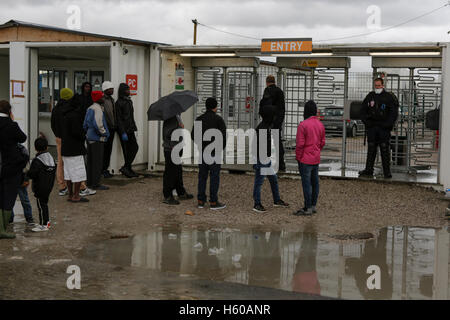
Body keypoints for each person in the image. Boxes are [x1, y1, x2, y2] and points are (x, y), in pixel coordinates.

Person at [51, 88, 92, 197]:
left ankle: (62, 186)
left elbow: (53, 124)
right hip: (71, 140)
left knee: (61, 162)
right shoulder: (71, 109)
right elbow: (76, 129)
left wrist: (58, 134)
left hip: (59, 138)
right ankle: (82, 187)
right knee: (77, 164)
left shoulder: (56, 109)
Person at [191, 97, 227, 210]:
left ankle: (201, 201)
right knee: (214, 177)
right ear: (215, 107)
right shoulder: (218, 120)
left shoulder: (199, 119)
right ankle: (213, 202)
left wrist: (200, 144)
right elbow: (223, 137)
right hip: (214, 152)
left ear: (206, 106)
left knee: (202, 176)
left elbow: (193, 135)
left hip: (203, 152)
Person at [359, 77, 399, 179]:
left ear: (382, 85)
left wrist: (387, 124)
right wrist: (367, 123)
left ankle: (387, 172)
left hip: (383, 129)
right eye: (375, 85)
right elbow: (362, 111)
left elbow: (393, 113)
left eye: (378, 85)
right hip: (372, 128)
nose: (377, 87)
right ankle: (368, 170)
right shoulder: (370, 96)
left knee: (384, 149)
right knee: (371, 149)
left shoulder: (389, 97)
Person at [252, 104, 289, 213]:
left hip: (265, 159)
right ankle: (257, 204)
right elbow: (256, 146)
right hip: (262, 159)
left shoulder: (264, 126)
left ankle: (276, 200)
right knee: (259, 182)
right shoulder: (263, 128)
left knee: (273, 179)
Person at [0, 100, 27, 239]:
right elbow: (23, 138)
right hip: (11, 166)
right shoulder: (11, 125)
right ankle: (3, 228)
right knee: (9, 197)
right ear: (9, 111)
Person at [293, 100, 325, 216]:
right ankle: (313, 205)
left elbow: (300, 144)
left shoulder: (303, 125)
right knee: (315, 182)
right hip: (315, 158)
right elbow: (322, 142)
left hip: (305, 159)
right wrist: (316, 151)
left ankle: (307, 207)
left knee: (306, 183)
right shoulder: (320, 124)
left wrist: (298, 157)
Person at [61, 91, 90, 203]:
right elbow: (77, 132)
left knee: (68, 173)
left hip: (65, 148)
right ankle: (76, 195)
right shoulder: (75, 116)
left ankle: (70, 194)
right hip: (75, 149)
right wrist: (83, 135)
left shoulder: (64, 114)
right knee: (78, 173)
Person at [27, 136, 56, 232]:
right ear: (47, 147)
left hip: (39, 187)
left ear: (35, 148)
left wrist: (26, 173)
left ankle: (44, 224)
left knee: (41, 205)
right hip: (49, 186)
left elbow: (32, 174)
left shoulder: (37, 160)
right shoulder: (50, 158)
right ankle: (46, 222)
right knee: (44, 204)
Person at [162, 114, 193, 205]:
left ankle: (181, 192)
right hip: (172, 148)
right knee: (170, 172)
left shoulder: (176, 116)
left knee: (177, 171)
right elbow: (168, 133)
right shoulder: (170, 117)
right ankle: (167, 196)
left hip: (176, 147)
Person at [83, 90, 110, 191]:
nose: (103, 98)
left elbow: (85, 124)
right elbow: (98, 125)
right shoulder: (97, 109)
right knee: (97, 162)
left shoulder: (90, 108)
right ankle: (96, 183)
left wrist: (87, 133)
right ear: (98, 98)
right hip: (97, 138)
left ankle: (89, 182)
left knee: (90, 161)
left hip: (89, 138)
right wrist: (105, 133)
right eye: (102, 97)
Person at [259, 75, 286, 172]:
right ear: (274, 81)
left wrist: (265, 120)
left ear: (267, 82)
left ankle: (264, 162)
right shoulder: (280, 92)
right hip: (276, 122)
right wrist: (278, 122)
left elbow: (262, 107)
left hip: (266, 122)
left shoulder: (266, 91)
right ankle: (281, 164)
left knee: (264, 141)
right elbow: (282, 109)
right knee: (277, 143)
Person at [116, 83, 139, 178]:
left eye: (129, 89)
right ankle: (127, 168)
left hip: (130, 129)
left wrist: (134, 127)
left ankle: (126, 167)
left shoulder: (129, 101)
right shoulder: (118, 103)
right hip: (124, 130)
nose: (129, 91)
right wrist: (122, 132)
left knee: (134, 148)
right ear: (122, 91)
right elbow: (119, 119)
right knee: (126, 151)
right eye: (127, 89)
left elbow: (131, 117)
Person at [101, 81, 118, 178]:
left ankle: (105, 169)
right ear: (105, 90)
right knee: (104, 151)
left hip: (112, 129)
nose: (112, 90)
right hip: (105, 130)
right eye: (110, 89)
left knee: (108, 150)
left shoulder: (112, 100)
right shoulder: (102, 100)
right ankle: (102, 169)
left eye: (112, 88)